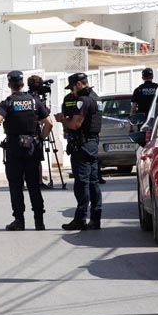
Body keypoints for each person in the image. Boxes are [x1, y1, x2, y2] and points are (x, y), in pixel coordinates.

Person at [0, 71, 53, 230]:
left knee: (16, 186)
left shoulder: (8, 102)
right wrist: (40, 139)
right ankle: (39, 221)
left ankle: (19, 221)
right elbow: (49, 123)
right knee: (34, 186)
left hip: (14, 149)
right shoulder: (34, 101)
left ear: (9, 84)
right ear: (23, 84)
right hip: (32, 148)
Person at [54, 72, 102, 230]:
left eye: (73, 88)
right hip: (93, 144)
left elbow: (75, 124)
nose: (72, 92)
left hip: (82, 145)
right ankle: (95, 218)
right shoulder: (95, 97)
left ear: (79, 84)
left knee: (82, 184)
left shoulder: (83, 100)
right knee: (94, 183)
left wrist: (62, 119)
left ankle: (80, 218)